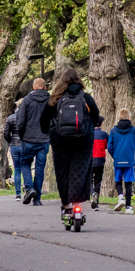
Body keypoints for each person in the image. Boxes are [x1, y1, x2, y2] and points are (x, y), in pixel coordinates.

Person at [46, 69, 102, 231]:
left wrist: (48, 132)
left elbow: (45, 118)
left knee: (63, 172)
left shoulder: (56, 98)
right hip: (83, 140)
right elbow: (96, 116)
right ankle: (77, 204)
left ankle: (67, 205)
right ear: (78, 81)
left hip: (59, 140)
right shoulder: (85, 97)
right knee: (80, 170)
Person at [10, 77, 54, 206]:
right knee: (40, 168)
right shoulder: (51, 100)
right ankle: (38, 198)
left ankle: (29, 188)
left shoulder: (27, 100)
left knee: (25, 164)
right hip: (44, 139)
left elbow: (21, 120)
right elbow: (54, 120)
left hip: (28, 138)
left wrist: (22, 135)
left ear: (33, 88)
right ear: (45, 88)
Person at [107, 110, 135, 212]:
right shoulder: (134, 131)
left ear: (118, 118)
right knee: (128, 182)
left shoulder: (113, 131)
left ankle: (120, 197)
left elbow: (109, 147)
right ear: (129, 118)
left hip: (118, 159)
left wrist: (115, 155)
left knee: (118, 180)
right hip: (129, 160)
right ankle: (128, 206)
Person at [90, 123, 110, 209]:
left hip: (90, 160)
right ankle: (96, 202)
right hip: (100, 160)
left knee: (88, 180)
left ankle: (92, 193)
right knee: (97, 181)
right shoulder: (104, 135)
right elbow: (107, 146)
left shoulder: (88, 134)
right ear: (101, 124)